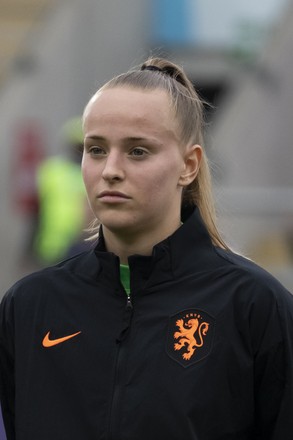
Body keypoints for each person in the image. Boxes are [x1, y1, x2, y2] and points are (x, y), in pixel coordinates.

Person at [1, 57, 293, 440]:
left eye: (137, 151)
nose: (111, 170)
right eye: (96, 149)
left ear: (189, 165)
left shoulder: (255, 306)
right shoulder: (29, 306)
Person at [32, 117, 90, 266]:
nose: (80, 151)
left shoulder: (94, 173)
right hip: (51, 245)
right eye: (77, 146)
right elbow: (36, 209)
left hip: (82, 247)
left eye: (84, 147)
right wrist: (29, 244)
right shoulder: (51, 168)